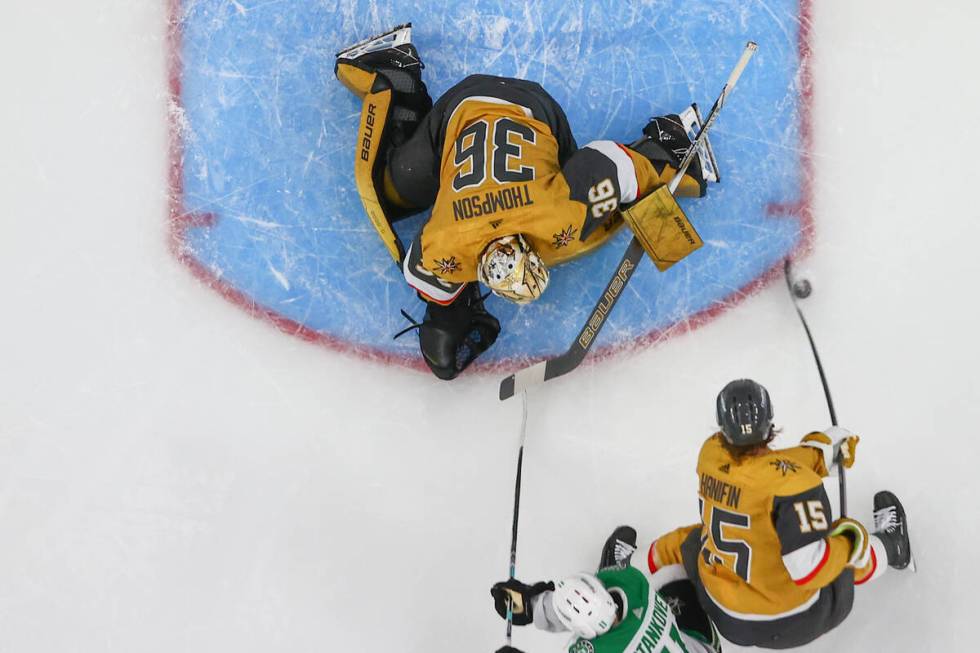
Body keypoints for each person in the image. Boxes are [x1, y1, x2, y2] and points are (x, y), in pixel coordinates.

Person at [334, 24, 718, 379]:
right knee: (391, 196)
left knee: (580, 234)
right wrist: (447, 307)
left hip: (514, 107)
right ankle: (391, 73)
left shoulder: (555, 219)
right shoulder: (444, 248)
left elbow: (613, 163)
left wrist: (656, 206)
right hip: (477, 105)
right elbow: (421, 275)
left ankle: (670, 148)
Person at [647, 379, 914, 649]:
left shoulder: (710, 455)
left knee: (691, 540)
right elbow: (811, 569)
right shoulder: (796, 487)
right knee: (839, 540)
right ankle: (893, 548)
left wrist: (819, 456)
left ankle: (634, 567)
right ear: (769, 424)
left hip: (728, 619)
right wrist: (849, 539)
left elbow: (759, 467)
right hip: (799, 620)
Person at [490, 526, 722, 653]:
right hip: (699, 648)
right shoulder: (633, 584)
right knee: (672, 578)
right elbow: (604, 581)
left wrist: (530, 605)